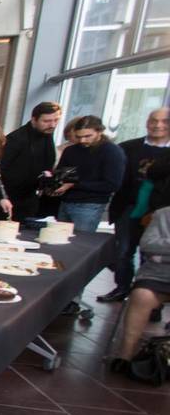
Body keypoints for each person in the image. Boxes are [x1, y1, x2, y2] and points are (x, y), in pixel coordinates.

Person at [54, 115, 125, 317]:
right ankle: (56, 297)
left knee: (78, 255)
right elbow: (63, 173)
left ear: (99, 131)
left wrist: (76, 184)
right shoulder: (71, 150)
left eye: (88, 136)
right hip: (66, 203)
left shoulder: (112, 152)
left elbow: (112, 184)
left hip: (90, 206)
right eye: (79, 136)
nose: (83, 140)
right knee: (60, 251)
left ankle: (73, 300)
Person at [98, 107, 170, 303]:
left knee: (154, 254)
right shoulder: (128, 147)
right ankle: (122, 288)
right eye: (154, 120)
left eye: (164, 121)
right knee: (123, 251)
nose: (158, 125)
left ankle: (151, 299)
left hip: (161, 213)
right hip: (128, 207)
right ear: (147, 122)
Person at [106, 206, 170, 377]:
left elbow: (158, 250)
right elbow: (148, 245)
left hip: (161, 264)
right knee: (142, 295)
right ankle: (125, 355)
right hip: (157, 275)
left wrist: (163, 254)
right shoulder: (163, 214)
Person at [0, 102, 61, 221]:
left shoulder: (47, 135)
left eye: (56, 120)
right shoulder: (16, 139)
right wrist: (2, 196)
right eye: (46, 121)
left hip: (30, 197)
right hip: (7, 198)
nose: (52, 125)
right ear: (34, 120)